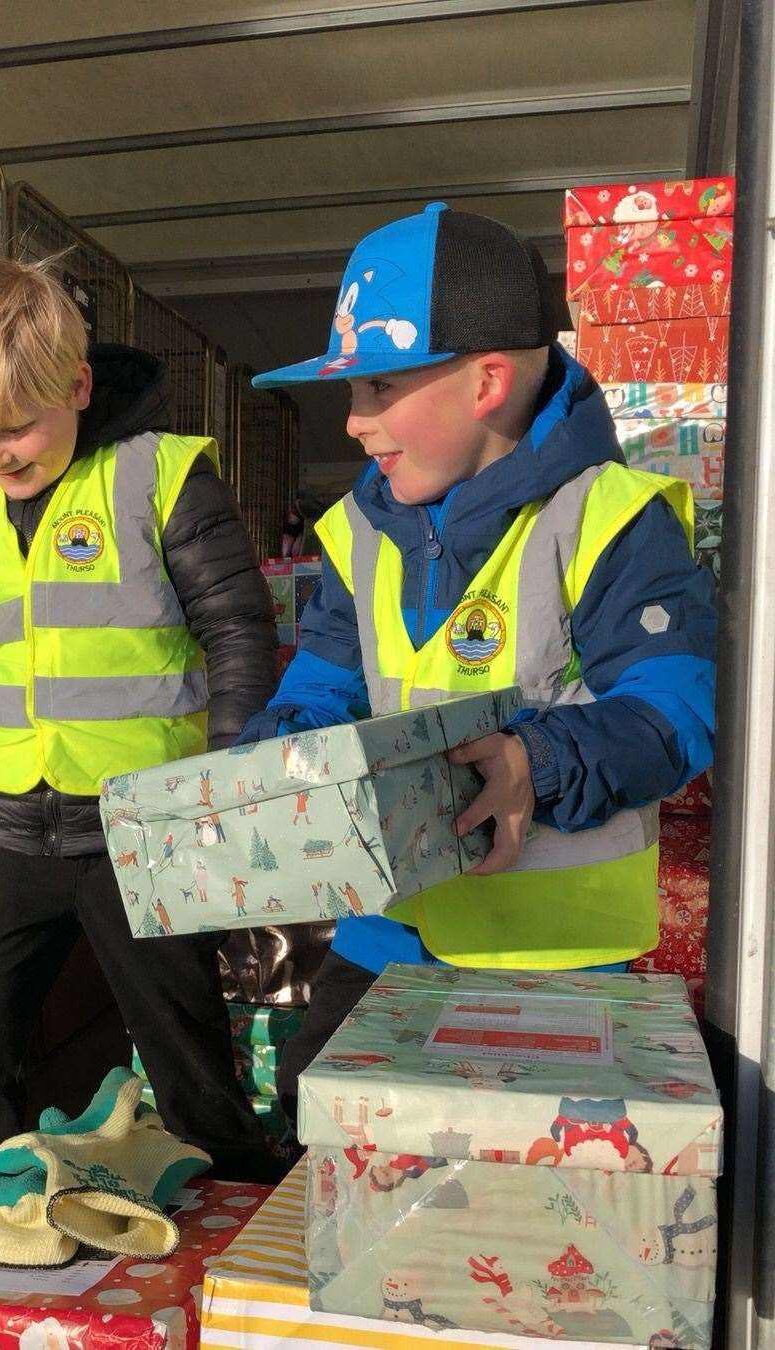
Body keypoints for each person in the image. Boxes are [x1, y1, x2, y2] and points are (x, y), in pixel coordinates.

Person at [239, 203, 717, 1120]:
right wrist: (274, 759)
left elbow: (678, 709)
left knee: (513, 1193)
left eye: (376, 390)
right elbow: (326, 684)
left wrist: (535, 760)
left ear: (488, 380)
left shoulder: (611, 517)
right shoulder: (357, 533)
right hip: (386, 938)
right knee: (319, 1118)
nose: (352, 423)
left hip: (553, 965)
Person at [0, 256, 280, 1203]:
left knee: (181, 1032)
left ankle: (230, 1202)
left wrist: (225, 790)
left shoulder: (159, 479)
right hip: (2, 821)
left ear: (76, 386)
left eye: (18, 428)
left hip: (145, 823)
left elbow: (238, 633)